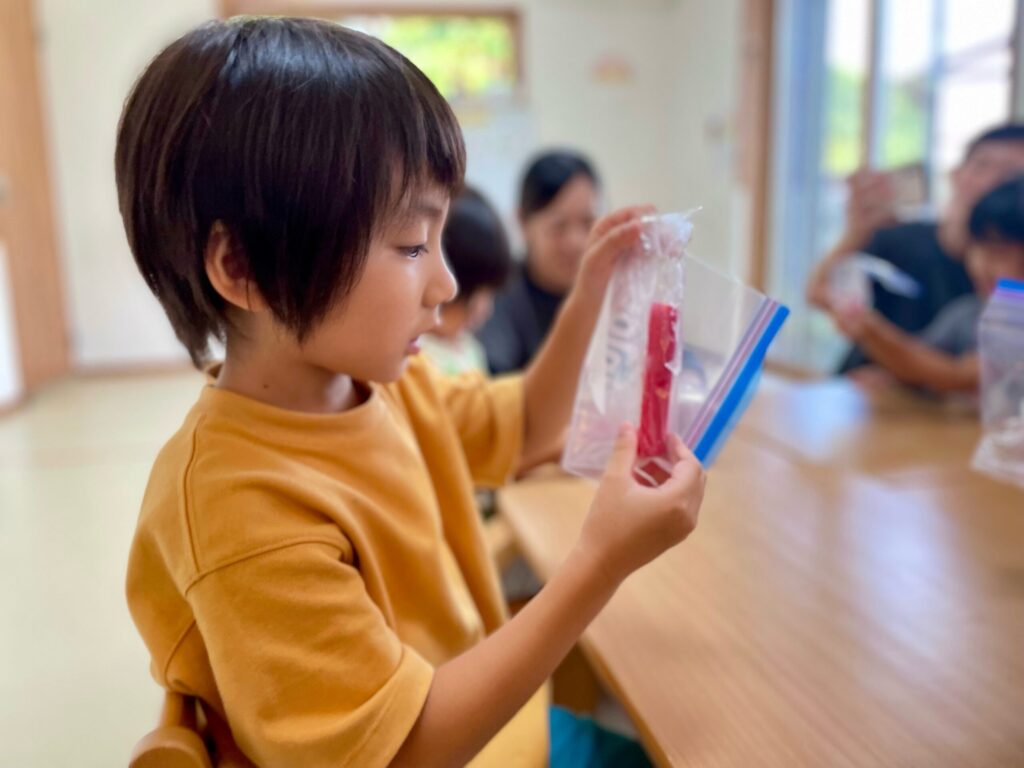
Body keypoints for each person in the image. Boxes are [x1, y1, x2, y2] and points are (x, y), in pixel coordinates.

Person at [116, 17, 705, 768]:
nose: (446, 284)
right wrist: (600, 561)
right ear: (244, 268)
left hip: (501, 730)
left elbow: (524, 425)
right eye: (410, 245)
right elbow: (399, 753)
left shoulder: (382, 382)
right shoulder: (239, 508)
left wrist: (588, 293)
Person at [807, 124, 1024, 372]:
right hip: (865, 382)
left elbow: (957, 373)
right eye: (983, 166)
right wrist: (855, 234)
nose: (990, 181)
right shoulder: (903, 238)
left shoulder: (990, 300)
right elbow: (818, 290)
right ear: (955, 174)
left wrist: (872, 331)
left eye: (1011, 173)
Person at [832, 176, 1024, 394]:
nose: (982, 265)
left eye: (1000, 253)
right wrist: (894, 376)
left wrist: (872, 329)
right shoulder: (967, 313)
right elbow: (921, 359)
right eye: (978, 248)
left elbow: (958, 375)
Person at [477, 150, 601, 374]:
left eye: (587, 223)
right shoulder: (496, 298)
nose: (576, 242)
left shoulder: (609, 290)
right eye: (559, 226)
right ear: (523, 223)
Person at [419, 186, 512, 376]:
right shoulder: (416, 355)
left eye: (489, 293)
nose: (485, 309)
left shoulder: (470, 348)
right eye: (472, 297)